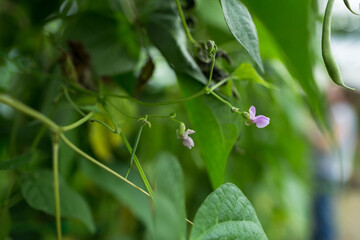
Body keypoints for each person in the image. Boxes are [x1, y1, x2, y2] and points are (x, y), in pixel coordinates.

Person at [311, 85, 358, 240]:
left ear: (340, 92)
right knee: (324, 217)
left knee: (323, 221)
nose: (327, 89)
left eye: (332, 87)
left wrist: (308, 132)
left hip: (329, 173)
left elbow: (329, 144)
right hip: (336, 172)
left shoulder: (340, 112)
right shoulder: (349, 112)